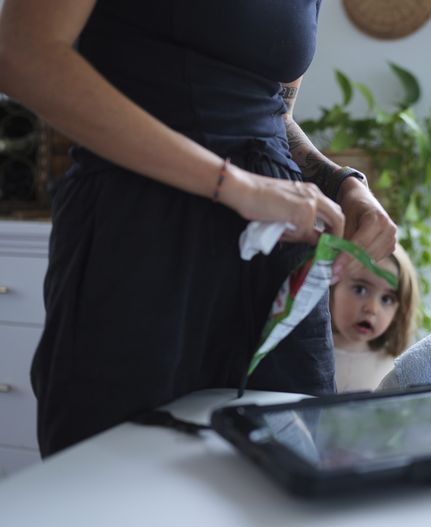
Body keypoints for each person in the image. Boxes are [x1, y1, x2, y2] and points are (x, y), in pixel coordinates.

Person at [0, 0, 397, 456]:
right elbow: (24, 54)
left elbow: (273, 113)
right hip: (141, 235)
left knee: (285, 471)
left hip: (274, 254)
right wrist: (234, 185)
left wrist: (342, 183)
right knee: (114, 472)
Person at [331, 243, 419, 391]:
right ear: (332, 285)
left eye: (387, 299)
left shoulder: (395, 370)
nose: (372, 308)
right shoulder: (302, 353)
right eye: (360, 289)